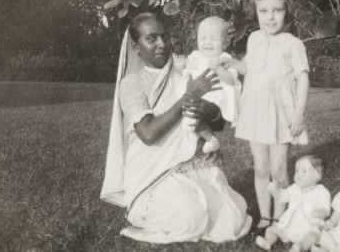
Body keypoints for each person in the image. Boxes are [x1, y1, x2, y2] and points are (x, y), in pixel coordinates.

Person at [100, 12, 251, 244]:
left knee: (232, 219)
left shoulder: (188, 69)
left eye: (164, 36)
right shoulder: (131, 83)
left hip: (193, 163)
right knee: (190, 217)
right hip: (154, 172)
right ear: (136, 46)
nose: (161, 44)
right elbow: (148, 133)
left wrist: (207, 110)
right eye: (151, 39)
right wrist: (190, 95)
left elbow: (219, 122)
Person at [225, 0, 310, 228]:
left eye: (277, 10)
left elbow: (303, 79)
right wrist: (229, 63)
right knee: (261, 168)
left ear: (287, 11)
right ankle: (265, 216)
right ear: (256, 12)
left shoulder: (293, 44)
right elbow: (248, 68)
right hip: (255, 111)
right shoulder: (253, 39)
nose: (270, 17)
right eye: (264, 11)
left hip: (282, 113)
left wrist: (298, 114)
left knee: (278, 168)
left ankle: (280, 216)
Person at [179, 16, 241, 153]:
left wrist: (219, 69)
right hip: (196, 94)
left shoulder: (225, 59)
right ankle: (211, 139)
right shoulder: (195, 55)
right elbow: (185, 70)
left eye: (213, 39)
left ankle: (193, 127)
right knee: (190, 108)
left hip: (216, 98)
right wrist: (183, 64)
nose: (208, 43)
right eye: (203, 38)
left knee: (194, 111)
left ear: (225, 43)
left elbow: (231, 80)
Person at [255, 155, 331, 252]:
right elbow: (282, 197)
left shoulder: (321, 191)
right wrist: (274, 190)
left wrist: (319, 213)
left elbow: (326, 210)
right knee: (271, 230)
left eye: (304, 171)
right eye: (296, 171)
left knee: (312, 237)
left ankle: (299, 247)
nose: (298, 174)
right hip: (289, 226)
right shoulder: (294, 188)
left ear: (318, 175)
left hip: (309, 227)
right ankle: (268, 242)